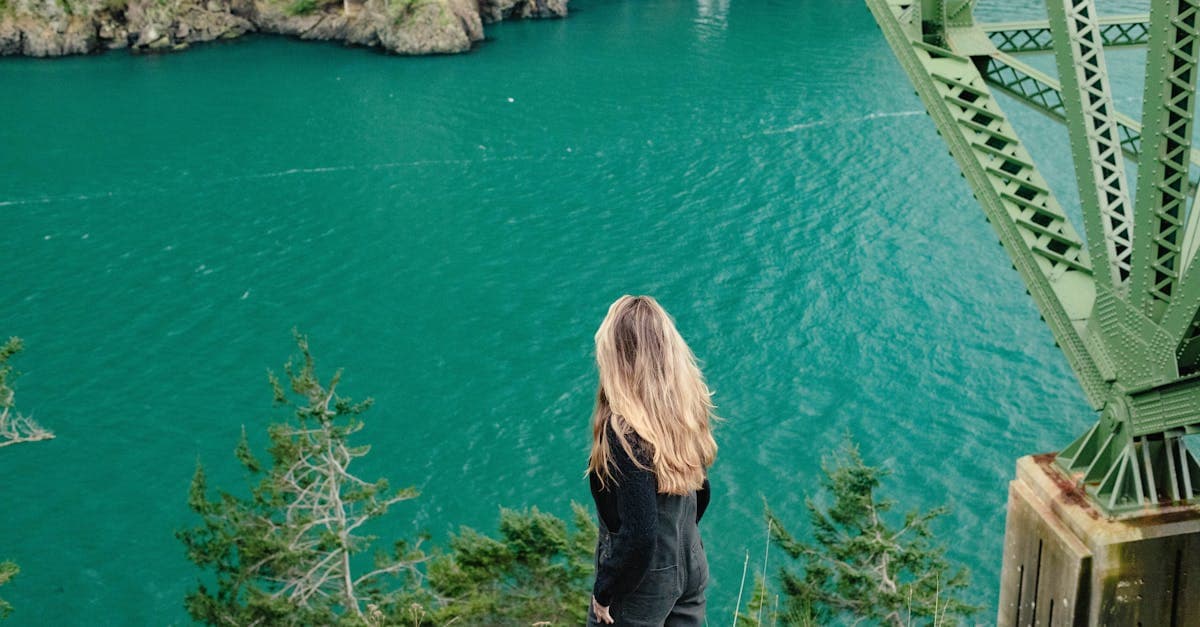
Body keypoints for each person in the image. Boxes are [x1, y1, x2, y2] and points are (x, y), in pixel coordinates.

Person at [586, 295, 717, 626]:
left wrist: (606, 591)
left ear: (618, 357)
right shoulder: (684, 410)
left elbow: (640, 535)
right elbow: (701, 491)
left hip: (643, 583)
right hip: (690, 561)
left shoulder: (625, 431)